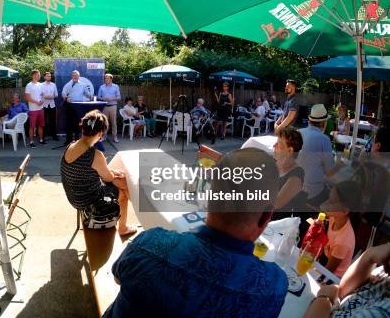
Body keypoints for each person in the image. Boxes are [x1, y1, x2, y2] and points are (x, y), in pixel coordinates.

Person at [103, 148, 287, 317]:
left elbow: (119, 279)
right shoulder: (274, 286)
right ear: (266, 217)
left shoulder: (147, 243)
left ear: (208, 198)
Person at [60, 110, 136, 236]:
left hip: (73, 196)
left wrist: (112, 173)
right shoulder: (95, 154)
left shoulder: (71, 145)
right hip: (86, 200)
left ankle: (131, 197)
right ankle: (123, 228)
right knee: (122, 193)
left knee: (120, 182)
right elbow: (108, 177)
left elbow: (93, 172)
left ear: (83, 128)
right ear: (100, 133)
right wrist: (115, 174)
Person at [298, 104, 342, 207]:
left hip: (294, 189)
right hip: (311, 193)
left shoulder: (298, 132)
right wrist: (341, 164)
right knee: (340, 195)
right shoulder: (323, 138)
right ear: (323, 123)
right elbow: (329, 172)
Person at [320, 180, 359, 278]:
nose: (327, 203)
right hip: (325, 258)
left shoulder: (342, 242)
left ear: (345, 211)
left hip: (332, 277)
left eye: (332, 202)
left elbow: (327, 272)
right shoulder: (334, 217)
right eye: (329, 198)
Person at [272, 127, 307, 218]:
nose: (274, 145)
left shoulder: (297, 174)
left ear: (290, 150)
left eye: (278, 144)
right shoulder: (273, 163)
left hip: (275, 226)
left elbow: (276, 203)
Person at [62, 70, 92, 143]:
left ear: (79, 76)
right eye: (74, 75)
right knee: (69, 124)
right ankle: (68, 141)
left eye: (76, 75)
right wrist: (66, 98)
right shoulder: (68, 84)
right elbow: (63, 94)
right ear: (72, 76)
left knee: (78, 124)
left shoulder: (83, 85)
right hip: (70, 106)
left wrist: (90, 96)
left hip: (79, 107)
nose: (75, 76)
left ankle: (77, 141)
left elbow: (87, 94)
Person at [24, 69, 45, 148]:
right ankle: (31, 142)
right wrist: (37, 102)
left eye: (39, 75)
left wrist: (42, 100)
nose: (39, 76)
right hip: (33, 109)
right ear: (33, 75)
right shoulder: (29, 85)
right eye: (37, 74)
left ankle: (41, 140)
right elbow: (27, 97)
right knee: (32, 127)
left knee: (40, 125)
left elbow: (43, 94)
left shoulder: (40, 84)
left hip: (41, 109)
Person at [98, 73, 121, 143]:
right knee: (104, 123)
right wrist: (103, 98)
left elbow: (119, 97)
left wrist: (112, 99)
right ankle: (104, 136)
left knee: (113, 122)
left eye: (107, 78)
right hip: (104, 106)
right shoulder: (101, 87)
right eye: (105, 78)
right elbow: (98, 97)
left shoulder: (116, 87)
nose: (106, 79)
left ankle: (115, 137)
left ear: (111, 79)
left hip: (113, 106)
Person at [41, 72, 59, 141]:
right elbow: (40, 94)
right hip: (44, 105)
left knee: (53, 121)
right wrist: (45, 96)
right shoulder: (41, 85)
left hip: (52, 105)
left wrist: (52, 96)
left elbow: (56, 94)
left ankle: (54, 136)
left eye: (50, 76)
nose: (49, 77)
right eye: (48, 76)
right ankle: (43, 136)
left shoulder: (53, 85)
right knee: (43, 121)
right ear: (44, 77)